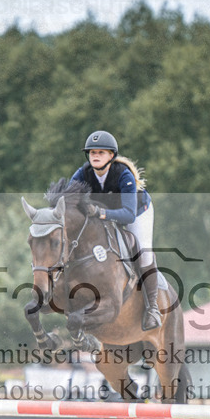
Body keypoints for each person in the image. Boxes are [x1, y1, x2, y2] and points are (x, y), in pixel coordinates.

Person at [71, 130, 161, 330]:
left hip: (137, 212)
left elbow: (128, 215)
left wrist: (101, 213)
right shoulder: (82, 174)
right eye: (92, 152)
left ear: (111, 155)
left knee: (144, 252)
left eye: (101, 152)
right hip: (104, 215)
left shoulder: (123, 175)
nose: (95, 155)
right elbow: (67, 201)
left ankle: (152, 307)